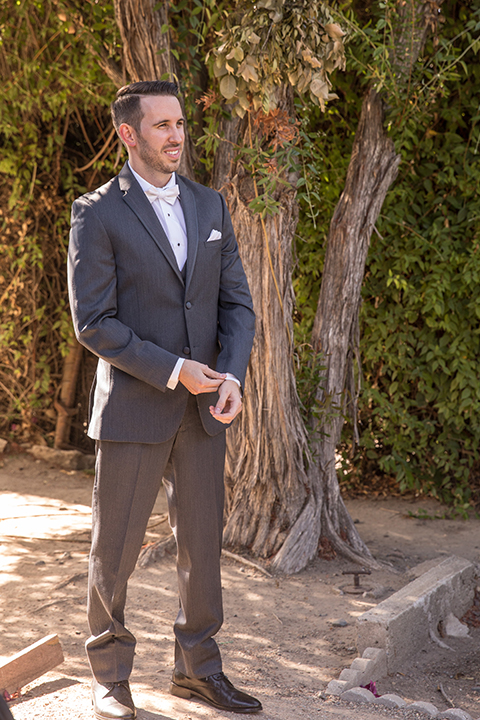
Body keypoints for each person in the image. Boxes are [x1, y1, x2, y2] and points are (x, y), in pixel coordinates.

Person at [67, 80, 260, 719]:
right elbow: (93, 321)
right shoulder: (97, 212)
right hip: (134, 406)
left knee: (203, 547)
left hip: (207, 410)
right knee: (115, 549)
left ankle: (199, 670)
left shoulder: (210, 205)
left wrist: (229, 375)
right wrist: (177, 369)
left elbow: (237, 302)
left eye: (180, 124)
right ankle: (111, 679)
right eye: (162, 126)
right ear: (129, 134)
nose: (177, 136)